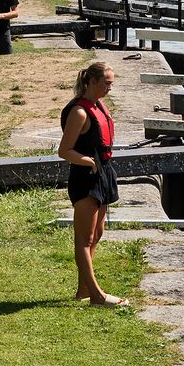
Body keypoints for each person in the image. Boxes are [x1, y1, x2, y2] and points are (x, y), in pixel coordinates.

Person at [57, 62, 127, 307]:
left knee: (97, 234)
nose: (110, 87)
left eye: (111, 82)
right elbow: (64, 151)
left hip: (104, 173)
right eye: (106, 82)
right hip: (86, 178)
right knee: (84, 239)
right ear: (92, 82)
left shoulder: (99, 106)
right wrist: (87, 161)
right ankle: (96, 295)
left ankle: (83, 290)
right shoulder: (79, 112)